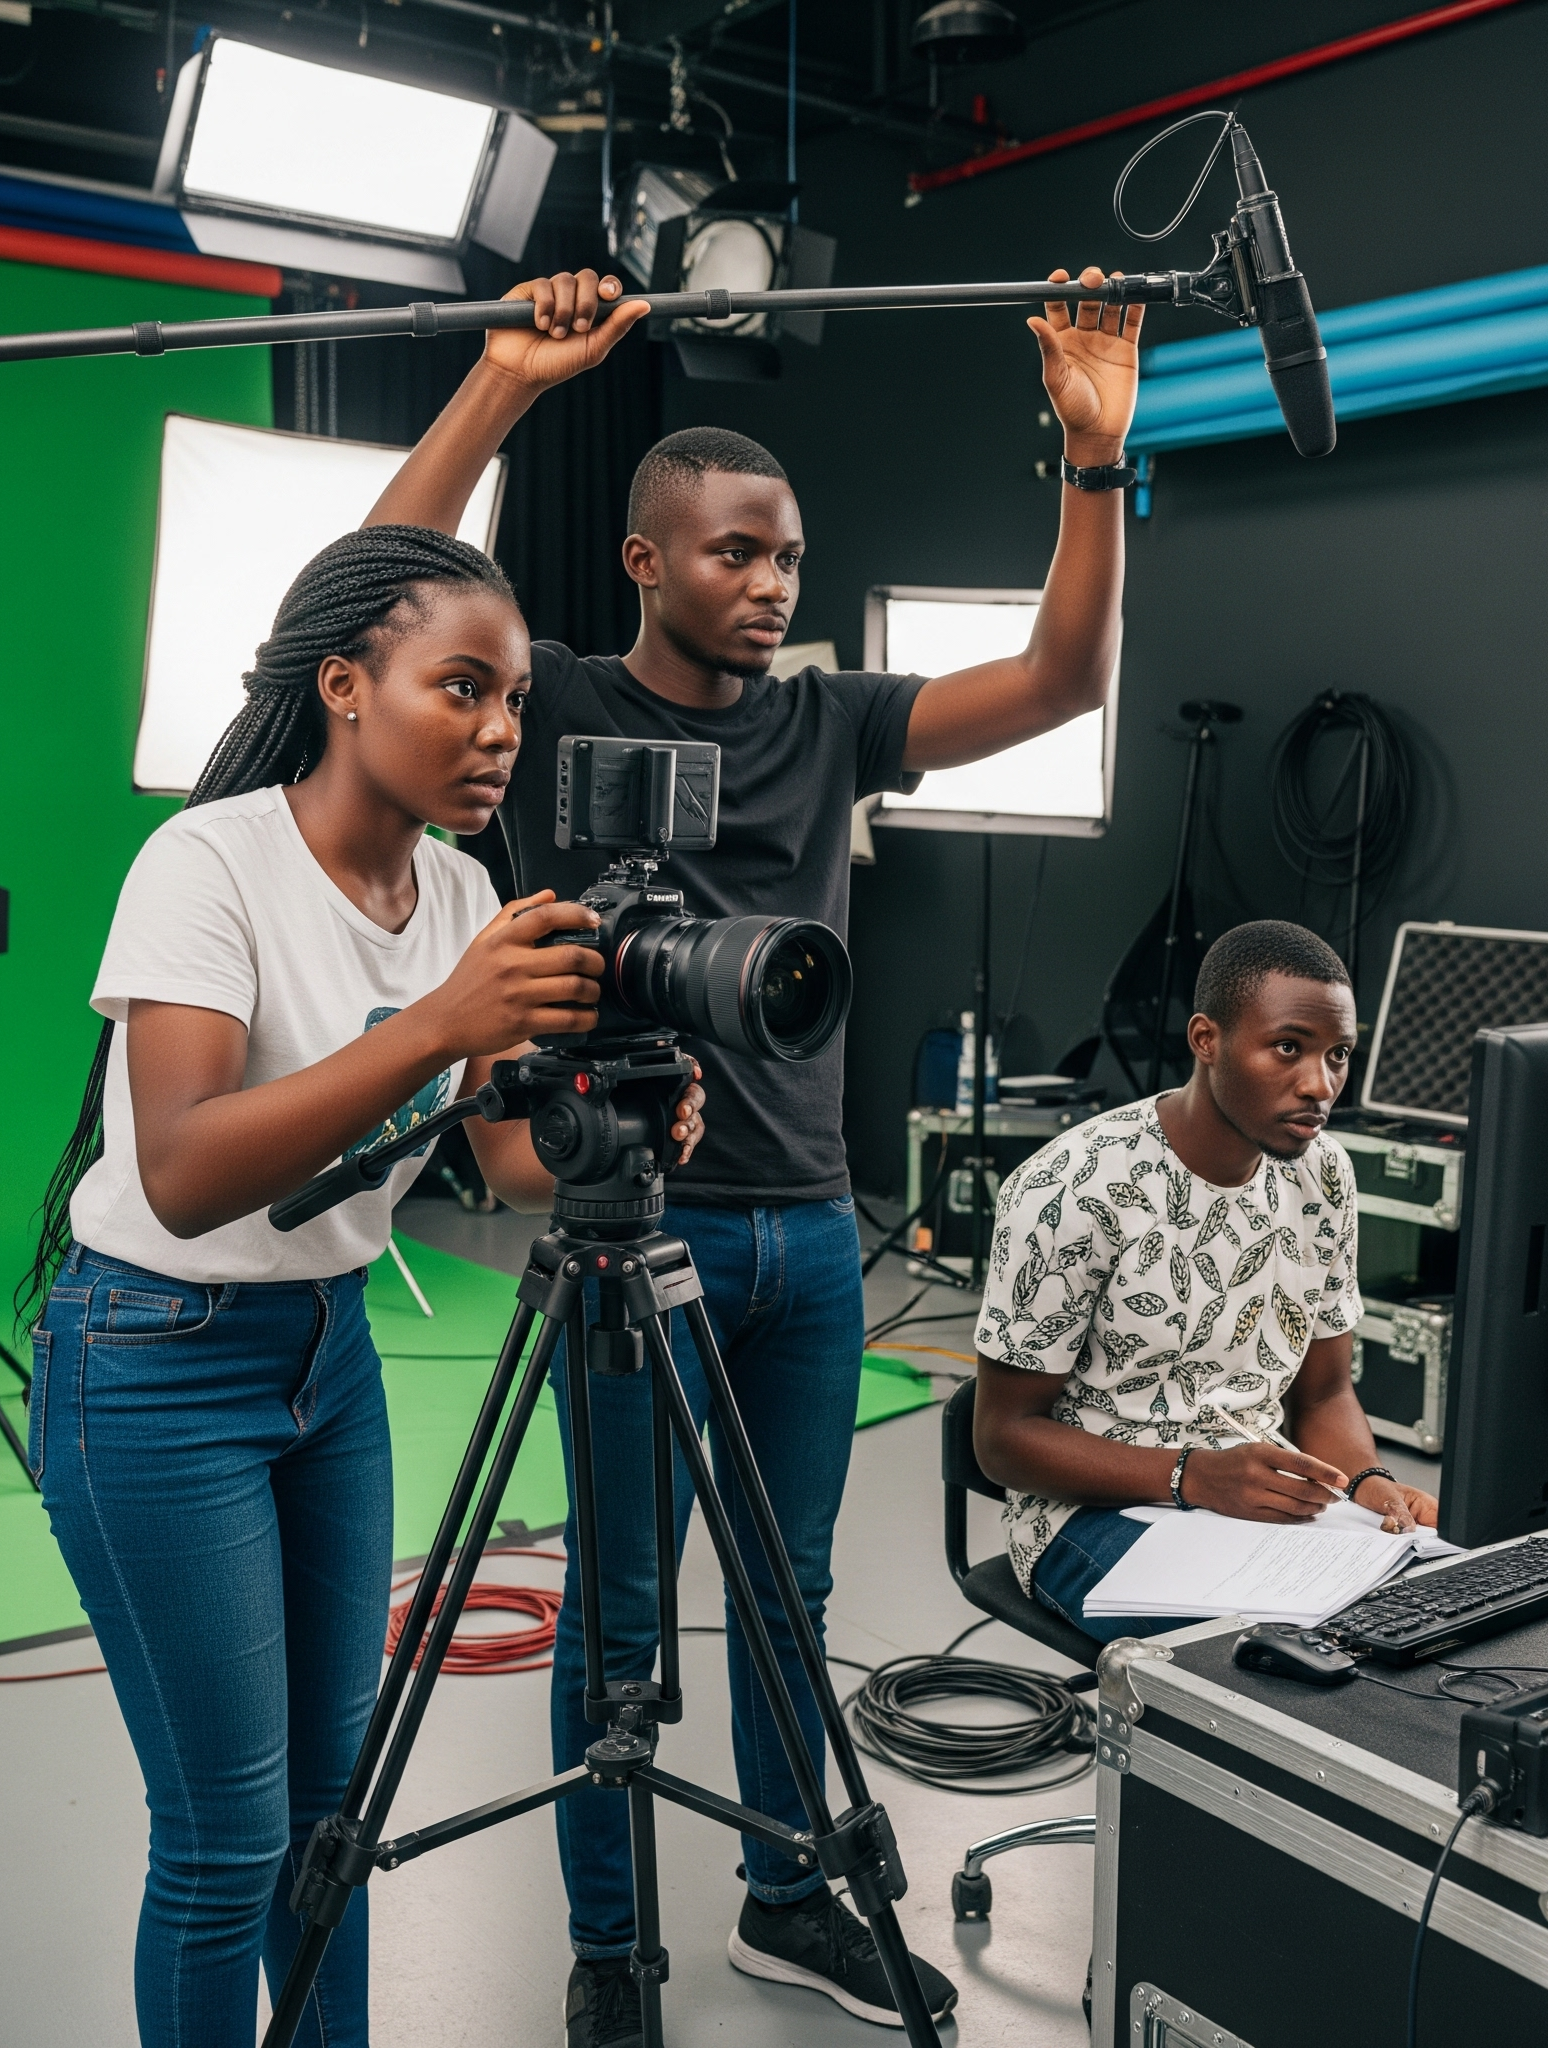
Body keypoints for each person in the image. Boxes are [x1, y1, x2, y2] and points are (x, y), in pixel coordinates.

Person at [364, 262, 1141, 2043]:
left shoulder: (827, 718)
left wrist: (1093, 459)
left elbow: (1058, 673)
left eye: (785, 553)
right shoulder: (544, 699)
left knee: (789, 1592)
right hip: (628, 1219)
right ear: (645, 557)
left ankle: (789, 1894)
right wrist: (501, 384)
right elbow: (382, 595)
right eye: (732, 551)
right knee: (619, 1614)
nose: (769, 580)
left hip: (803, 1228)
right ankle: (609, 1950)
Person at [19, 526, 703, 2048]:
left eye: (516, 700)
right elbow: (190, 1169)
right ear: (344, 684)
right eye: (461, 688)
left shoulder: (462, 894)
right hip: (151, 1360)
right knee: (223, 1837)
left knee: (337, 1817)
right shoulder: (207, 861)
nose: (501, 731)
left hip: (326, 1357)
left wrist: (625, 1121)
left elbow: (513, 1166)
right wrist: (438, 1023)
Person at [970, 921, 1439, 1639]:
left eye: (1338, 1054)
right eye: (1289, 1047)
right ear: (1205, 1039)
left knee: (1428, 1613)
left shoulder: (1324, 1175)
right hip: (1086, 1514)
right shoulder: (1073, 1187)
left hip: (1262, 1495)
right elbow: (1003, 1440)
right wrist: (1192, 1476)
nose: (1321, 1084)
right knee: (1277, 1661)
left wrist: (1367, 1484)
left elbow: (1326, 1392)